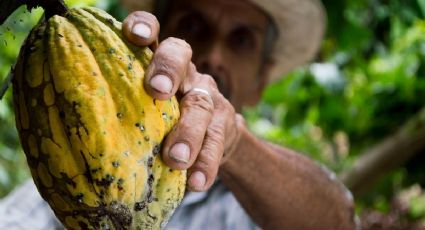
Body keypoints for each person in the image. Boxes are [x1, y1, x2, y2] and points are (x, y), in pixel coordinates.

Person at [0, 0, 358, 229]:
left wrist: (232, 144)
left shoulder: (257, 203)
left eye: (241, 40)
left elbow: (337, 220)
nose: (215, 55)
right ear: (148, 37)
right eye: (194, 26)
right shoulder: (66, 177)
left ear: (261, 81)